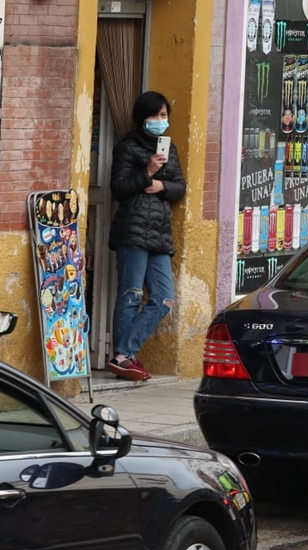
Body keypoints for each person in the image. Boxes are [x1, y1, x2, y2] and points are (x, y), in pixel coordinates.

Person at [107, 91, 186, 381]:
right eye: (154, 116)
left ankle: (123, 354)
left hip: (160, 233)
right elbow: (118, 188)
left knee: (164, 299)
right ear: (142, 119)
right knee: (131, 295)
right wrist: (148, 171)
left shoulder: (170, 148)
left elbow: (180, 187)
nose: (159, 121)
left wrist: (162, 185)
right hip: (133, 230)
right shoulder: (127, 147)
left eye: (164, 116)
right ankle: (125, 358)